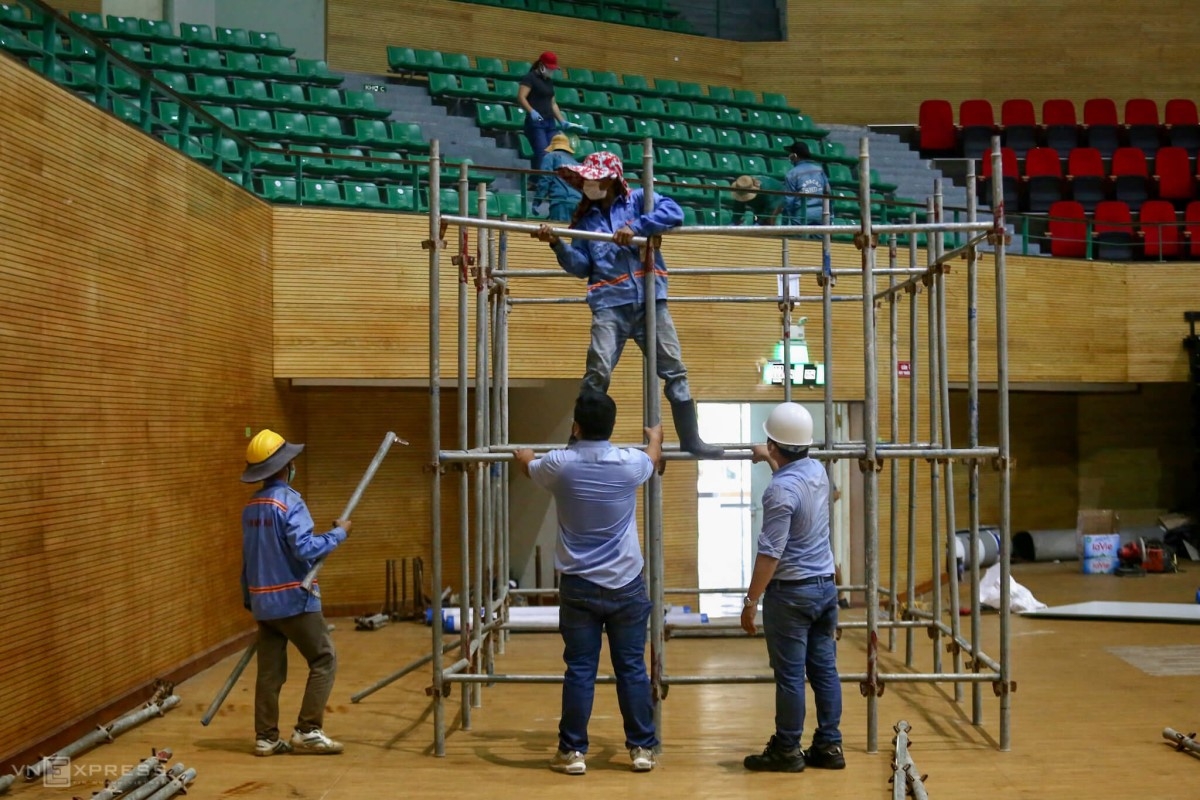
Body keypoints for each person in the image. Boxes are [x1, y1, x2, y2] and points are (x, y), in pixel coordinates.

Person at [532, 150, 722, 458]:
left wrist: (637, 227)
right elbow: (581, 267)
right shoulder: (585, 219)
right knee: (597, 372)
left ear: (610, 179)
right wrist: (556, 243)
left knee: (674, 370)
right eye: (584, 180)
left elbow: (674, 213)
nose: (586, 184)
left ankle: (691, 439)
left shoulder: (638, 201)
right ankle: (579, 439)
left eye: (592, 178)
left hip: (651, 301)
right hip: (609, 305)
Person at [513, 390, 662, 776]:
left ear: (575, 427)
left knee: (580, 668)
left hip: (578, 586)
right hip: (626, 583)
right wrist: (656, 438)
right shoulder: (629, 463)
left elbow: (528, 465)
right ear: (612, 428)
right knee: (631, 667)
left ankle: (572, 752)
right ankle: (642, 748)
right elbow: (652, 458)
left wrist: (524, 456)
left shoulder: (560, 464)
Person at [740, 402, 845, 773]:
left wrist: (751, 601)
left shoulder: (778, 493)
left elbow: (770, 553)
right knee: (825, 671)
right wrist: (770, 458)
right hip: (824, 590)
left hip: (791, 595)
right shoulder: (817, 471)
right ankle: (829, 746)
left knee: (790, 677)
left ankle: (787, 749)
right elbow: (792, 483)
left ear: (772, 443)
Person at [240, 429, 352, 757]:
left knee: (270, 673)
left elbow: (248, 559)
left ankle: (266, 737)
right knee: (323, 658)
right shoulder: (289, 501)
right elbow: (305, 549)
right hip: (294, 599)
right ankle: (308, 730)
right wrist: (339, 533)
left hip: (263, 602)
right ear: (284, 467)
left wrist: (251, 599)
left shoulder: (252, 506)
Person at [518, 51, 567, 171]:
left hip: (550, 122)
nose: (551, 71)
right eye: (549, 68)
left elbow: (553, 103)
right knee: (543, 153)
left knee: (557, 150)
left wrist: (562, 121)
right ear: (541, 65)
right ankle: (541, 183)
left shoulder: (549, 81)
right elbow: (521, 97)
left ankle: (536, 180)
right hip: (536, 123)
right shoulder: (530, 78)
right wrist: (531, 111)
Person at [782, 142, 831, 227]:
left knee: (799, 240)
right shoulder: (819, 170)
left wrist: (785, 221)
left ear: (794, 156)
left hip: (801, 216)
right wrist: (831, 215)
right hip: (821, 214)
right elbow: (828, 192)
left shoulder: (792, 174)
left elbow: (789, 201)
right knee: (820, 240)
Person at [538, 133, 582, 222]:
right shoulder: (575, 162)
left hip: (561, 202)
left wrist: (538, 200)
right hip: (578, 202)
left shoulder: (550, 156)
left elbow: (545, 178)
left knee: (560, 233)